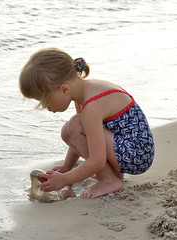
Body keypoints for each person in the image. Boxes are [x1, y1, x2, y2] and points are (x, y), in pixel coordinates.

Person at [19, 48, 154, 199]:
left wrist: (64, 180)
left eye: (45, 101)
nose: (46, 107)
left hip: (136, 154)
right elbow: (82, 136)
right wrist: (67, 167)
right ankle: (113, 173)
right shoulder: (85, 92)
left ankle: (108, 180)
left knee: (75, 124)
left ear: (64, 89)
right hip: (127, 148)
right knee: (69, 129)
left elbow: (97, 160)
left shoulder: (92, 105)